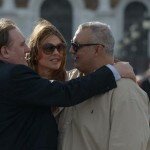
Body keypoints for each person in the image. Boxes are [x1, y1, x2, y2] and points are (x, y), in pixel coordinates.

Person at [0, 18, 135, 150]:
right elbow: (64, 93)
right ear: (5, 51)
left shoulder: (126, 91)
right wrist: (112, 71)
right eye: (21, 44)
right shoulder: (14, 74)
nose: (27, 49)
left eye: (61, 47)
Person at [58, 21, 150, 150]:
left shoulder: (126, 93)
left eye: (76, 46)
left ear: (97, 49)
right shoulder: (69, 81)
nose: (71, 50)